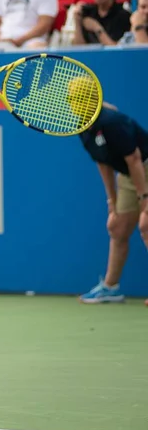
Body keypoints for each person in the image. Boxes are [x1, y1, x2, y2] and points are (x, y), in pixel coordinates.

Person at [78, 101, 148, 303]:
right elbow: (103, 162)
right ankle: (110, 288)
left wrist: (144, 199)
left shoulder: (112, 121)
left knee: (146, 223)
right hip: (128, 176)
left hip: (143, 165)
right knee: (117, 227)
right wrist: (112, 200)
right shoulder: (82, 129)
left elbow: (134, 158)